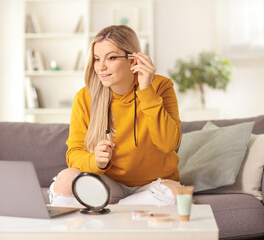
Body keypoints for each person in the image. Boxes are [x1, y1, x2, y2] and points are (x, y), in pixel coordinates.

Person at [49, 25, 182, 206]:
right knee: (65, 179)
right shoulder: (84, 97)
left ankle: (114, 211)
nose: (101, 66)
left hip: (152, 185)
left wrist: (146, 90)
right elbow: (74, 153)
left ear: (132, 60)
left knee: (175, 194)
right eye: (96, 59)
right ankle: (125, 212)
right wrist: (95, 161)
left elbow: (169, 144)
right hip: (109, 184)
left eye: (111, 58)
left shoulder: (160, 87)